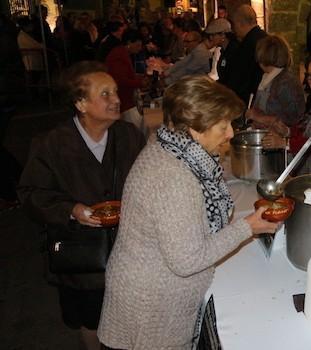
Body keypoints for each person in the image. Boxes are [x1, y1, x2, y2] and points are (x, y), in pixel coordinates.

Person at [97, 76, 280, 348]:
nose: (230, 133)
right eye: (223, 125)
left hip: (149, 292)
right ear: (195, 128)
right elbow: (187, 261)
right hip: (149, 309)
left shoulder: (172, 147)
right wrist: (247, 227)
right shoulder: (174, 176)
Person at [17, 61, 145, 350]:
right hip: (81, 257)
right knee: (91, 321)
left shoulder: (129, 136)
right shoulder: (51, 144)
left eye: (114, 92)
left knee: (132, 317)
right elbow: (30, 193)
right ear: (80, 103)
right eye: (105, 94)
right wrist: (71, 210)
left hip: (129, 252)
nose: (115, 100)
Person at [245, 34, 306, 146]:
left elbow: (295, 121)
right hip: (268, 138)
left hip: (282, 144)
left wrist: (259, 117)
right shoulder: (267, 78)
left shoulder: (286, 82)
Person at [218, 4, 267, 105]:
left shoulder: (247, 45)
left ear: (240, 23)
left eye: (234, 25)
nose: (234, 30)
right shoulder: (265, 38)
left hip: (249, 98)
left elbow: (240, 78)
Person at [105, 29, 147, 132]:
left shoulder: (122, 53)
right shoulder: (119, 55)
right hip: (123, 98)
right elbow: (120, 80)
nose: (139, 48)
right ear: (129, 43)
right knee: (136, 129)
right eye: (137, 45)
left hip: (125, 97)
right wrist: (140, 82)